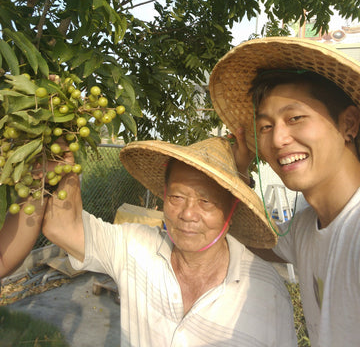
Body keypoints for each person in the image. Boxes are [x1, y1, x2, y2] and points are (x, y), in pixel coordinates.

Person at [42, 136, 297, 347]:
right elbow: (62, 226)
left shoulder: (266, 293)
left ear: (231, 210)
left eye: (206, 201)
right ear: (163, 196)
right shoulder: (134, 246)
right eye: (176, 197)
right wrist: (63, 155)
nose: (187, 214)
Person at [209, 36, 360, 347]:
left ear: (349, 124)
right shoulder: (306, 225)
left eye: (295, 118)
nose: (278, 139)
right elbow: (256, 239)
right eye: (265, 127)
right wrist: (239, 174)